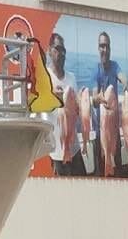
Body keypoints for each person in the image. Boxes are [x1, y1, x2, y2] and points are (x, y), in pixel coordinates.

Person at [45, 31, 85, 175]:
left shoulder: (71, 78)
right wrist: (51, 96)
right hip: (56, 151)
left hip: (74, 149)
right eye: (57, 49)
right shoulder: (45, 78)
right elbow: (36, 106)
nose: (61, 53)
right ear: (49, 50)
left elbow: (77, 109)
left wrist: (82, 102)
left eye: (63, 50)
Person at [90, 31, 121, 176]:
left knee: (118, 171)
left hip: (114, 130)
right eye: (102, 46)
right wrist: (97, 98)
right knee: (101, 172)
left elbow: (122, 76)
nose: (105, 50)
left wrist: (126, 83)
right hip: (100, 131)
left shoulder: (115, 66)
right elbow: (94, 97)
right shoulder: (95, 70)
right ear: (98, 48)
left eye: (107, 46)